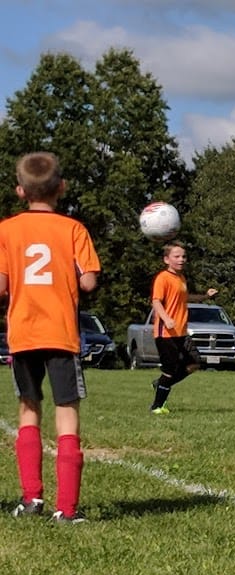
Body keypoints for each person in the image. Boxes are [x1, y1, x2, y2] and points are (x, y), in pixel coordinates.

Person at [0, 152, 101, 522]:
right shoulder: (74, 229)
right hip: (61, 332)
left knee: (28, 408)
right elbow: (89, 280)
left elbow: (1, 286)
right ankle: (68, 509)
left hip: (23, 331)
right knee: (67, 413)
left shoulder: (6, 229)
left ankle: (31, 500)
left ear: (19, 191)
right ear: (62, 188)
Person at [149, 241, 217, 414]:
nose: (181, 259)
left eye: (184, 256)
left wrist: (205, 296)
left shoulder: (181, 278)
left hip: (181, 332)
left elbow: (185, 298)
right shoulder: (162, 278)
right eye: (176, 256)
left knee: (194, 363)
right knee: (170, 370)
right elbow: (156, 301)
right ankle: (157, 407)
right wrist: (166, 318)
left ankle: (161, 384)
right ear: (166, 259)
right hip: (165, 333)